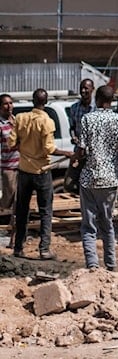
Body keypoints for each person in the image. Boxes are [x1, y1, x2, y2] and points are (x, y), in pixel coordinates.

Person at [76, 84, 118, 271]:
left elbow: (81, 151)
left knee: (88, 225)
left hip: (89, 178)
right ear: (111, 100)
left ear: (97, 99)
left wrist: (76, 155)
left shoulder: (87, 119)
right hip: (110, 180)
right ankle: (111, 264)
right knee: (107, 224)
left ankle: (92, 265)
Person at [11, 88, 56, 260]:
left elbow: (11, 142)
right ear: (46, 102)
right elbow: (49, 148)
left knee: (22, 210)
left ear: (32, 100)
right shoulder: (47, 121)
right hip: (42, 172)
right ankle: (44, 249)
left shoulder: (21, 118)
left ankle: (18, 248)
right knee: (46, 211)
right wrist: (67, 154)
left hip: (24, 171)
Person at [0, 93, 18, 246]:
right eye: (6, 104)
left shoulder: (17, 121)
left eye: (11, 103)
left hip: (22, 166)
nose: (9, 106)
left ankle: (15, 238)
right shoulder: (0, 125)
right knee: (7, 201)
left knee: (18, 203)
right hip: (8, 168)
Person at [68, 78, 96, 149]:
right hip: (79, 149)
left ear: (92, 89)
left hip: (95, 150)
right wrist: (73, 137)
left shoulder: (97, 108)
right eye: (81, 88)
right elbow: (72, 127)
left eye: (86, 88)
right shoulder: (74, 108)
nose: (83, 91)